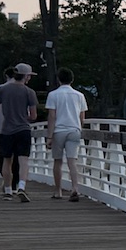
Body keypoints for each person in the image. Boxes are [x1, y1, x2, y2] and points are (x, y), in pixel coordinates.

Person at [0, 63, 40, 203]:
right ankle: (21, 186)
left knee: (7, 160)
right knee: (23, 160)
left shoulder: (2, 90)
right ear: (26, 76)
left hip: (6, 130)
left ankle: (8, 190)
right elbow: (34, 116)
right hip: (23, 129)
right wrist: (24, 116)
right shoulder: (29, 92)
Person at [44, 68, 89, 201]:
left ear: (59, 79)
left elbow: (52, 116)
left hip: (59, 131)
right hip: (74, 129)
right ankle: (75, 188)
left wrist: (49, 136)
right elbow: (82, 117)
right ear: (72, 80)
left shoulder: (53, 95)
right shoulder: (79, 95)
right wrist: (79, 128)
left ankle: (58, 191)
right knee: (72, 161)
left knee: (58, 161)